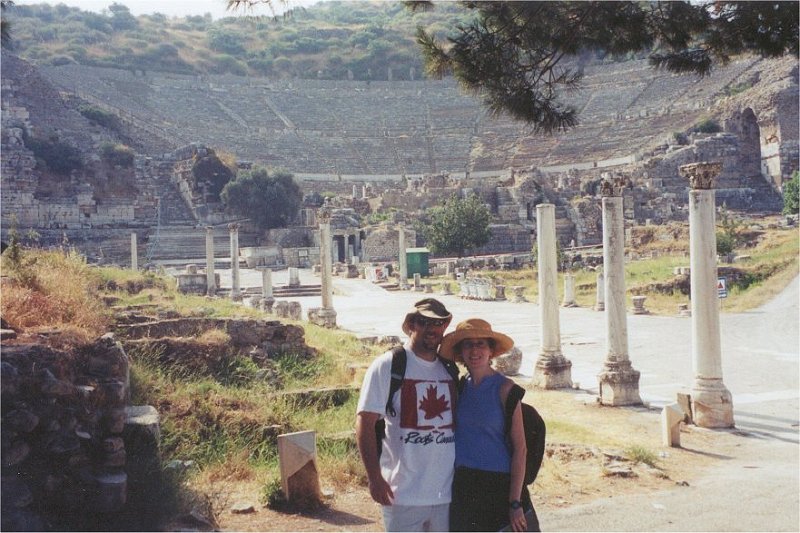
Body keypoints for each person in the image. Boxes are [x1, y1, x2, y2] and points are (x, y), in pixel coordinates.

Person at [355, 298, 457, 532]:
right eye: (424, 322)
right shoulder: (389, 365)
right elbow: (365, 422)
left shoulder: (448, 369)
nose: (432, 329)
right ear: (411, 325)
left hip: (445, 494)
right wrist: (374, 478)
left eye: (439, 323)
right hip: (402, 495)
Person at [440, 318, 539, 532]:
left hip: (499, 487)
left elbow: (520, 449)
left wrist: (515, 502)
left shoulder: (505, 389)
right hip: (464, 485)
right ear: (461, 351)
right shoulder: (459, 388)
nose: (474, 350)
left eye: (481, 344)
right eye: (468, 344)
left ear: (491, 351)